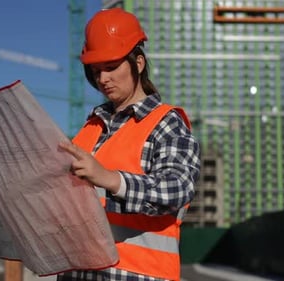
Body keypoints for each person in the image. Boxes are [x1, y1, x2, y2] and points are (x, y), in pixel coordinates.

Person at [55, 7, 200, 281]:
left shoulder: (165, 123)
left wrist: (111, 179)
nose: (103, 79)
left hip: (137, 274)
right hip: (78, 272)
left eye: (111, 67)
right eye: (96, 70)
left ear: (139, 63)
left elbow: (178, 188)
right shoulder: (90, 128)